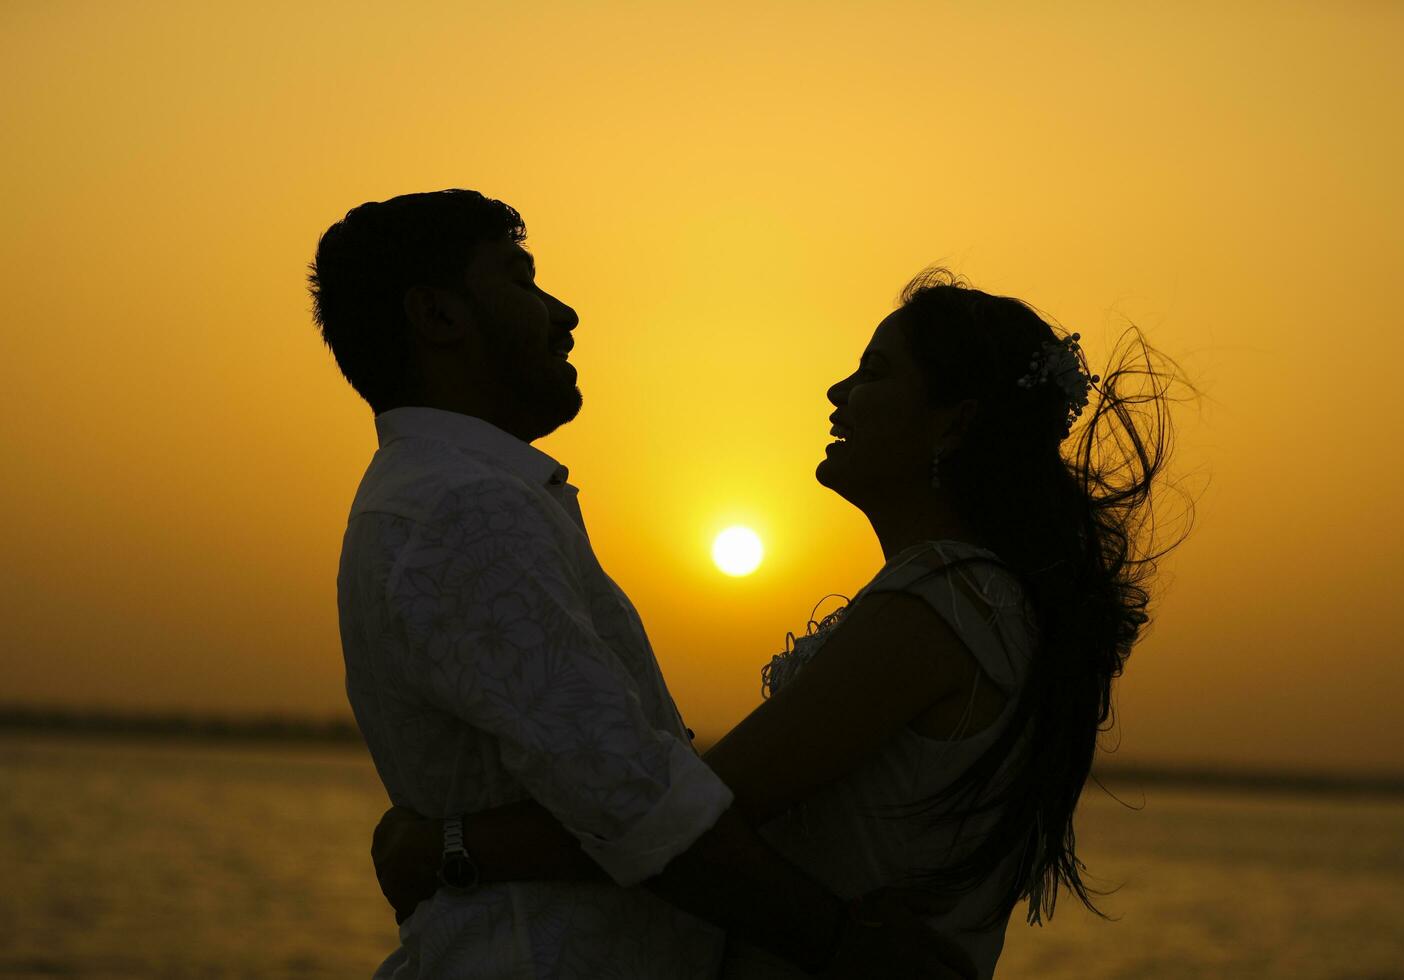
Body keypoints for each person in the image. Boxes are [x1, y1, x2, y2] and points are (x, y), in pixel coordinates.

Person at [370, 249, 1191, 977]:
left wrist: (447, 847)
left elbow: (688, 814)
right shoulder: (986, 599)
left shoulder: (936, 606)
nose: (838, 391)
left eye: (874, 371)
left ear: (955, 421)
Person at [312, 189, 979, 980]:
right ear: (439, 317)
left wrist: (444, 848)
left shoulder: (452, 497)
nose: (564, 314)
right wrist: (849, 949)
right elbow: (637, 805)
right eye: (521, 280)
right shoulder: (465, 508)